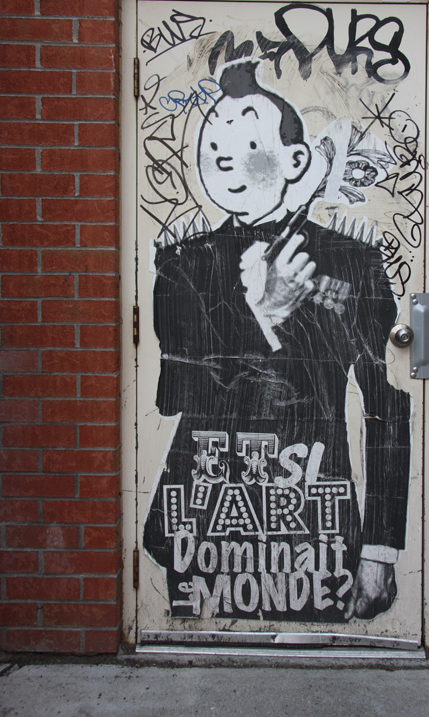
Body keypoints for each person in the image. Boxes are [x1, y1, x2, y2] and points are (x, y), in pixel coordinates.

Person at [144, 60, 411, 623]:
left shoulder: (350, 261)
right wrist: (262, 316)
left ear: (296, 162)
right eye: (214, 144)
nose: (223, 157)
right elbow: (175, 394)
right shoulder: (182, 264)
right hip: (204, 512)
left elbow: (387, 400)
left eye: (246, 143)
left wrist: (381, 548)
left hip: (315, 516)